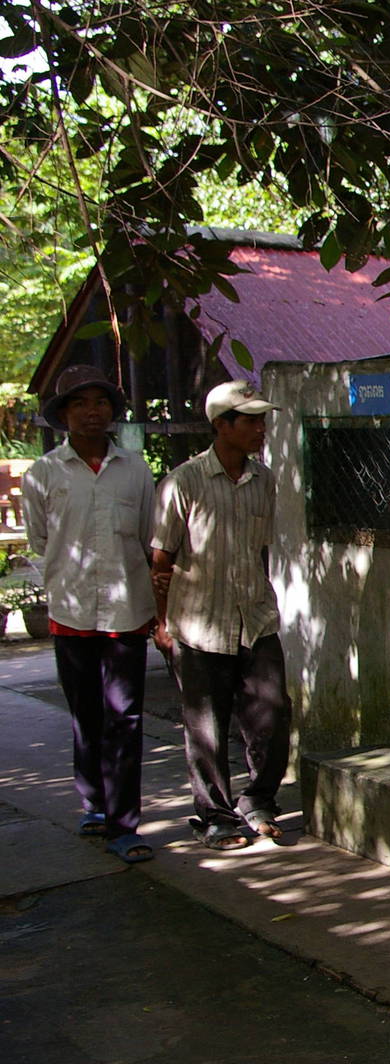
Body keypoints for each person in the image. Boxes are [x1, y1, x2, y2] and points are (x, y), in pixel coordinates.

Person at [20, 365, 158, 863]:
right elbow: (39, 540)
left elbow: (145, 536)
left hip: (126, 608)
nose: (91, 411)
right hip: (71, 609)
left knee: (126, 715)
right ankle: (94, 804)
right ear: (63, 415)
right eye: (80, 403)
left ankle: (125, 826)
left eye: (99, 402)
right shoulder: (44, 474)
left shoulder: (136, 470)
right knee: (86, 714)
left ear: (111, 412)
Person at [151, 379, 291, 850]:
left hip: (255, 619)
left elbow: (262, 551)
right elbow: (161, 560)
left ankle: (260, 801)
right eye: (250, 420)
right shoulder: (183, 482)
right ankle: (215, 816)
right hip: (198, 622)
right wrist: (161, 625)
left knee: (271, 714)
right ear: (221, 426)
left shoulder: (264, 480)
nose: (260, 429)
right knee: (206, 727)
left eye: (262, 420)